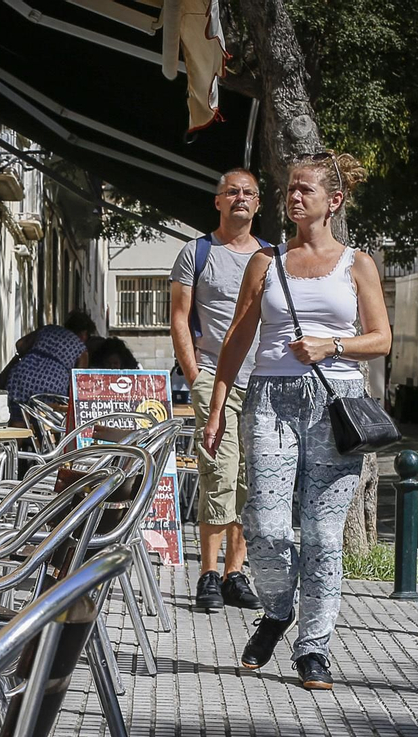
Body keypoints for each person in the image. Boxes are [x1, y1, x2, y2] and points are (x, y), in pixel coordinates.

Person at [200, 152, 391, 691]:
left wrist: (334, 344)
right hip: (269, 399)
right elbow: (237, 338)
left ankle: (314, 649)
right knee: (264, 523)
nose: (293, 196)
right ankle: (279, 608)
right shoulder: (267, 262)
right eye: (289, 189)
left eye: (305, 189)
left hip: (337, 404)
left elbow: (381, 339)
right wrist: (217, 408)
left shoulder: (357, 264)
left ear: (334, 201)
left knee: (325, 536)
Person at [170, 168, 269, 613]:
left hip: (262, 380)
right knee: (217, 474)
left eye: (248, 193)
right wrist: (196, 378)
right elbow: (179, 317)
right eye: (232, 192)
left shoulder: (271, 257)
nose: (240, 199)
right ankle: (208, 574)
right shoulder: (197, 252)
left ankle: (235, 572)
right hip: (214, 378)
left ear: (258, 203)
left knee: (250, 480)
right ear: (218, 201)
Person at [7, 315, 93, 406]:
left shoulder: (48, 329)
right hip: (52, 385)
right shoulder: (81, 349)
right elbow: (79, 383)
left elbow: (20, 344)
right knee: (44, 417)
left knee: (18, 413)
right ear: (84, 333)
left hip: (22, 376)